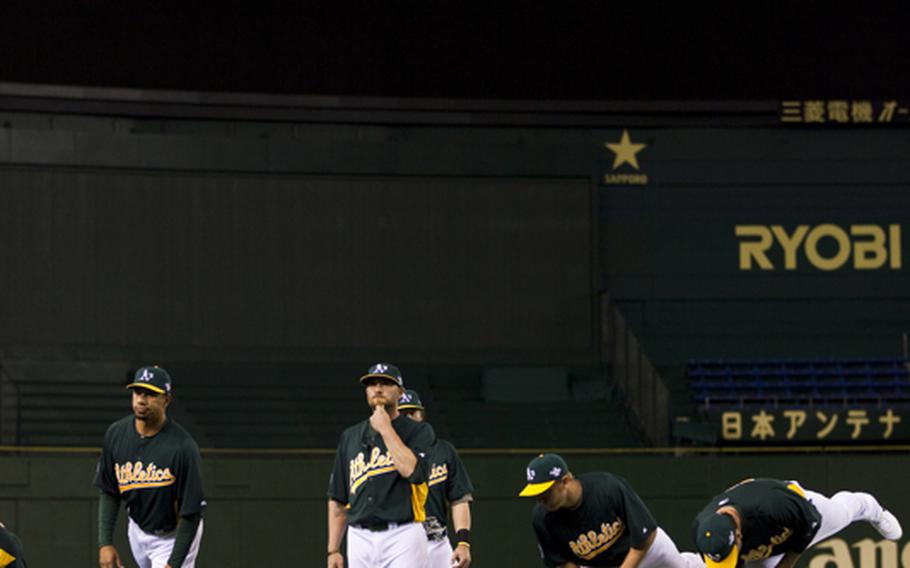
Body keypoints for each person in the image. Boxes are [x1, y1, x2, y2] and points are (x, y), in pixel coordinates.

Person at [326, 363, 437, 568]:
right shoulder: (350, 436)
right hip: (359, 536)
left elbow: (414, 472)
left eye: (386, 384)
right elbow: (338, 499)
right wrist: (333, 549)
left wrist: (386, 429)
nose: (378, 389)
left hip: (403, 534)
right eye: (372, 384)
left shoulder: (419, 431)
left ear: (400, 392)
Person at [94, 365, 205, 568]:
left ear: (167, 399)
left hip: (173, 534)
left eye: (151, 394)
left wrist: (174, 564)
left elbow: (190, 514)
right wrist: (105, 543)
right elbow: (109, 491)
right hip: (138, 529)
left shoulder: (183, 447)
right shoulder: (116, 435)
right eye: (137, 392)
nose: (141, 400)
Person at [519, 453, 704, 568]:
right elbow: (561, 562)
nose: (540, 499)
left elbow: (645, 536)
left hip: (646, 551)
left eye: (546, 492)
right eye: (536, 493)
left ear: (565, 481)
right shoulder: (542, 518)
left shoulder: (607, 488)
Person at [692, 477, 903, 568]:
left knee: (843, 513)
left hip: (802, 515)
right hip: (762, 545)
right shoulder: (704, 531)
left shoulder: (770, 505)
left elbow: (812, 521)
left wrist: (787, 563)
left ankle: (870, 507)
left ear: (738, 535)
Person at [398, 388, 474, 568]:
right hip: (400, 543)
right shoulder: (384, 454)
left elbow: (459, 499)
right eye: (402, 414)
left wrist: (463, 542)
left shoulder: (443, 451)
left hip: (437, 542)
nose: (408, 418)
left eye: (412, 412)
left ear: (421, 415)